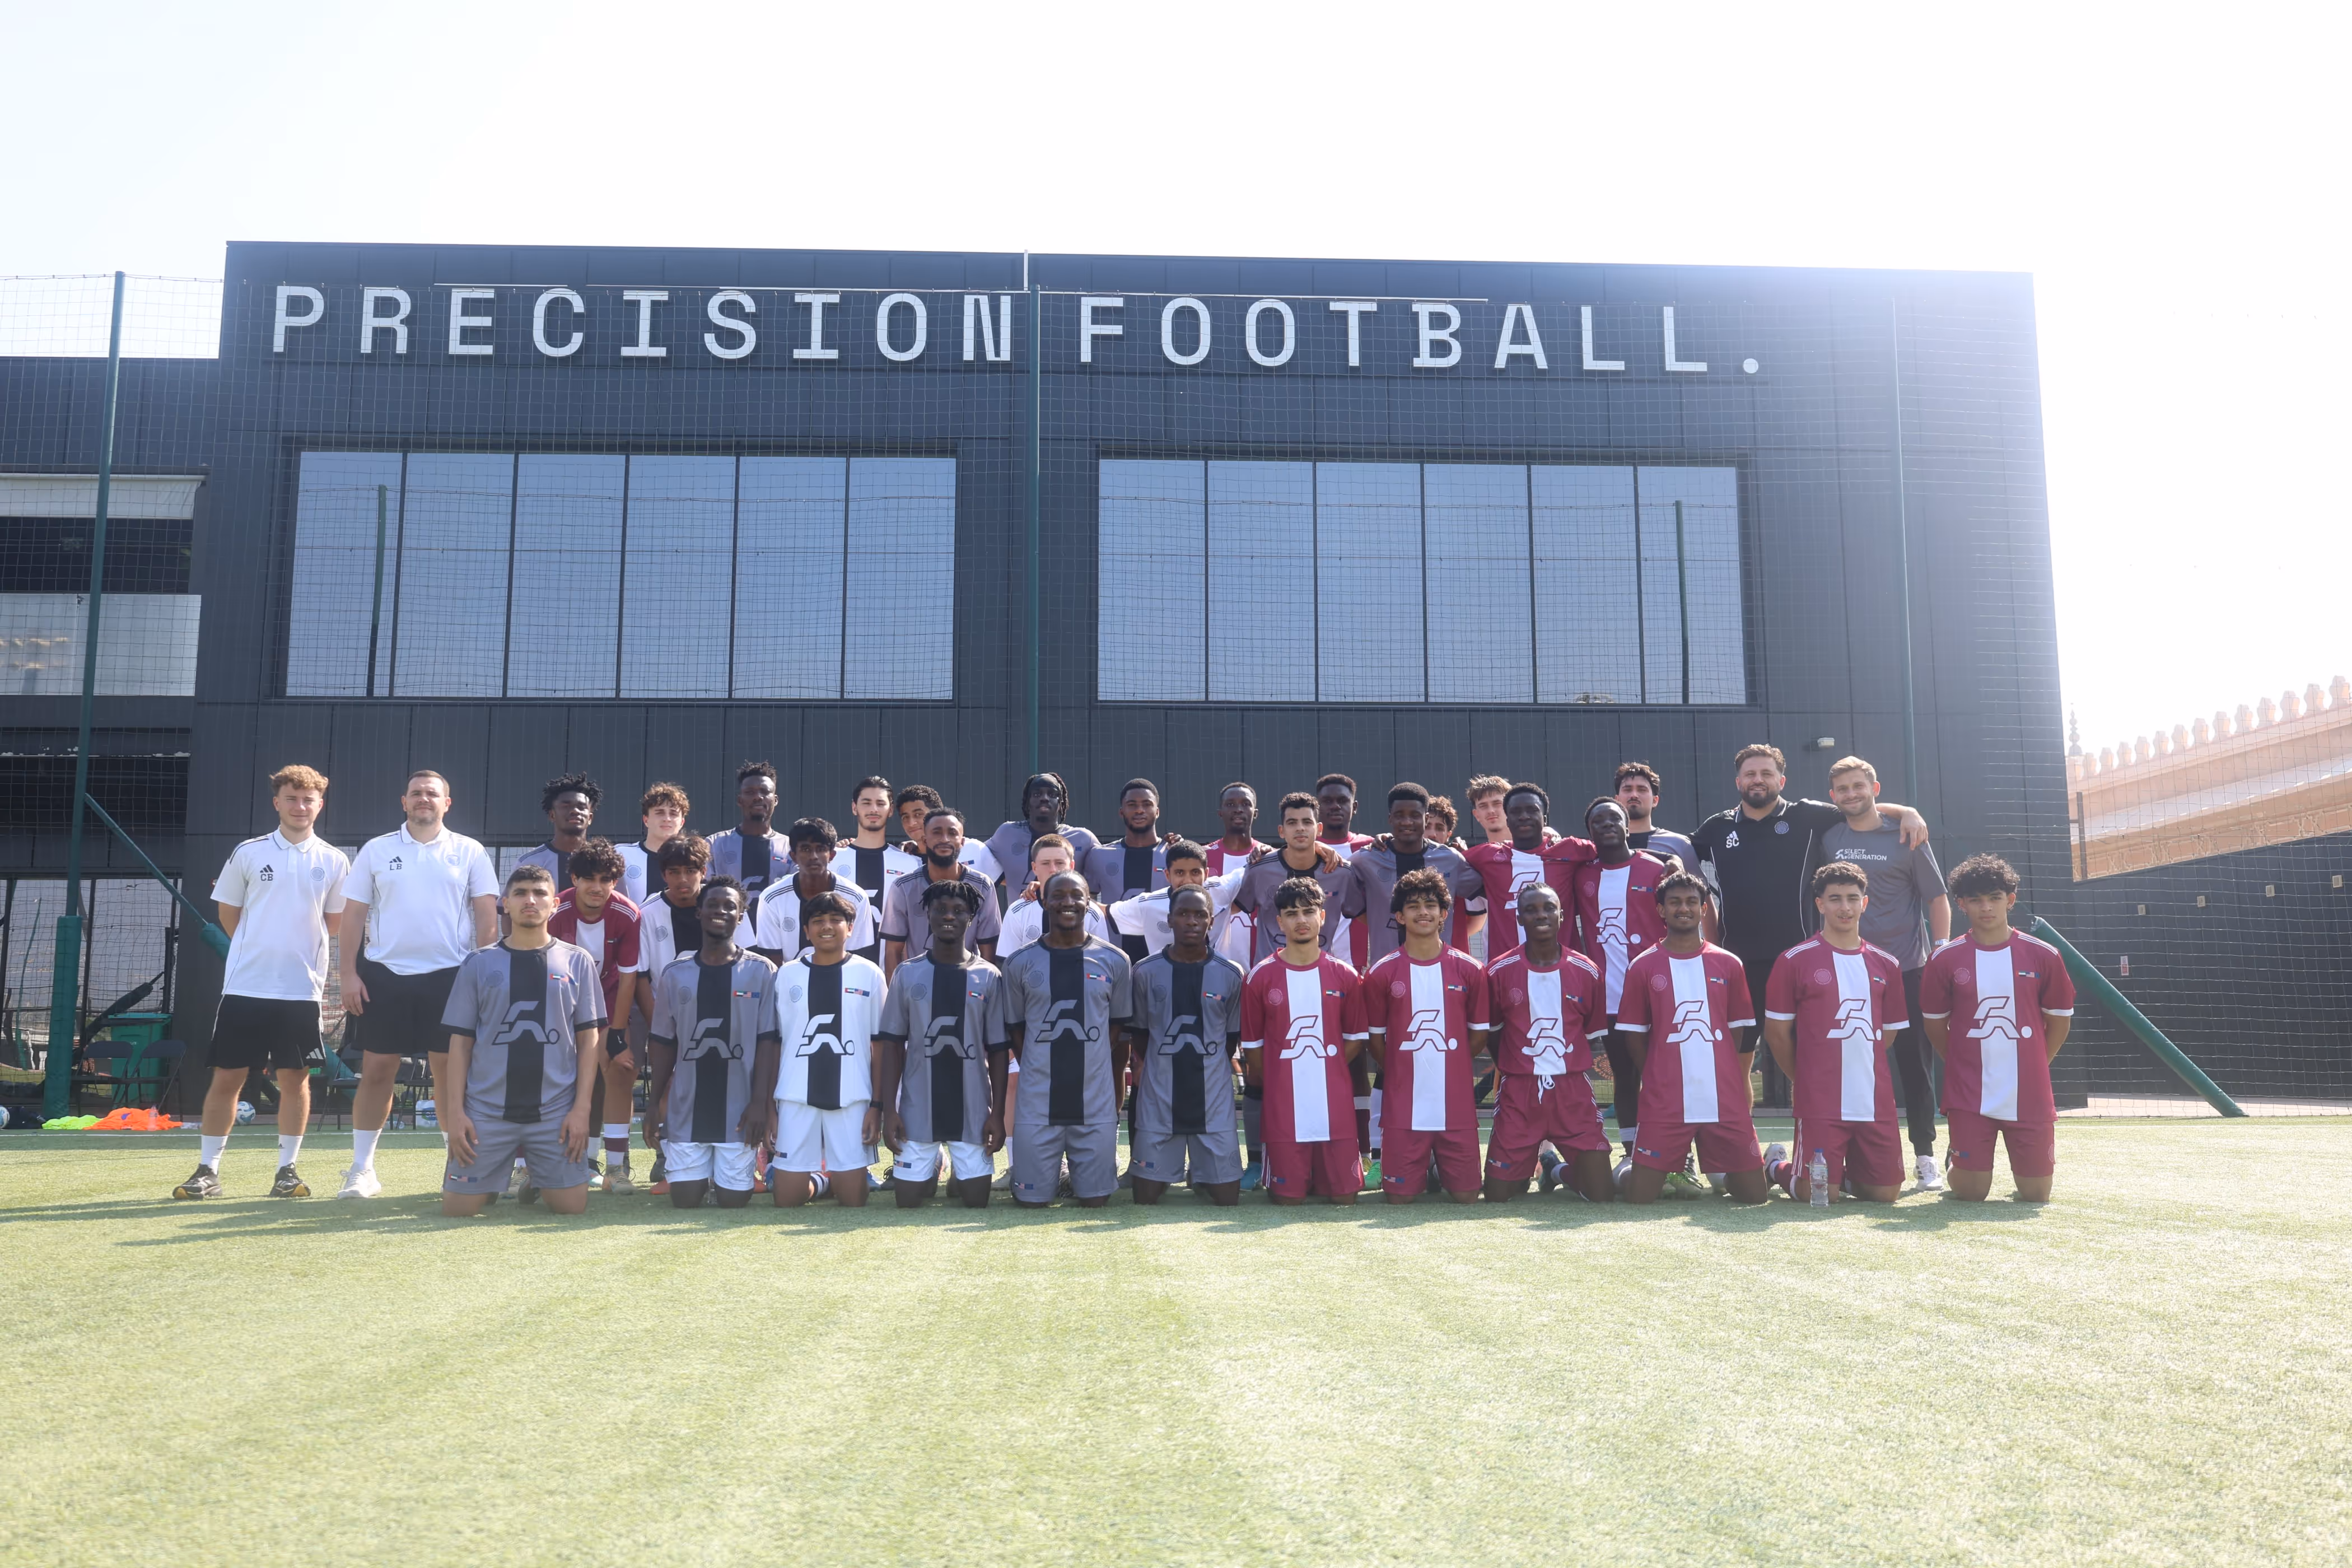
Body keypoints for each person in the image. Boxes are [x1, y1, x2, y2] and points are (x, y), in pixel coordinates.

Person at [1690, 744, 1928, 1106]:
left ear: (1781, 780)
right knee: (1735, 1060)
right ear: (1738, 781)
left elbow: (1859, 807)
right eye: (1751, 774)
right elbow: (1688, 874)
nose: (1758, 780)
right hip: (1738, 965)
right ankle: (1741, 1151)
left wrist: (1907, 812)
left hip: (1800, 962)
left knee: (1811, 1056)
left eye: (1767, 774)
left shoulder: (1807, 816)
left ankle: (1814, 1148)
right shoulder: (1716, 828)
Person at [175, 765, 351, 1200]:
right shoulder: (249, 853)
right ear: (277, 802)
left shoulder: (333, 860)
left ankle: (287, 1171)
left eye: (308, 799)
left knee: (296, 1080)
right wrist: (258, 949)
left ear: (320, 805)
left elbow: (334, 922)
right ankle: (207, 1172)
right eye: (291, 798)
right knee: (228, 1078)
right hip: (245, 988)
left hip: (301, 992)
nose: (299, 806)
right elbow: (228, 914)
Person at [336, 769, 499, 1199]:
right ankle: (361, 1170)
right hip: (384, 977)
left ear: (448, 803)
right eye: (416, 794)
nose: (424, 799)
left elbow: (486, 916)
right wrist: (348, 974)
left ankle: (456, 1168)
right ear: (403, 802)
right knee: (376, 1071)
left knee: (450, 1074)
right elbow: (353, 916)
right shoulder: (377, 849)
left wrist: (484, 973)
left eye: (433, 794)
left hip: (453, 977)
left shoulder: (469, 851)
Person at [435, 865, 606, 1216]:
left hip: (555, 1112)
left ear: (555, 904)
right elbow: (461, 1043)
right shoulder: (478, 963)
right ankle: (493, 1176)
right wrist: (457, 1114)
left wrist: (582, 1109)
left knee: (571, 1207)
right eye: (521, 893)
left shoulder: (578, 961)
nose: (531, 900)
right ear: (506, 904)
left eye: (540, 893)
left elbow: (589, 1040)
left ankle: (536, 1175)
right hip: (487, 1110)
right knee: (458, 1210)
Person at [1823, 754, 1952, 1191]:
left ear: (1876, 789)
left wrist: (1942, 950)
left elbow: (1937, 898)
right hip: (1846, 971)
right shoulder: (1829, 835)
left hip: (1907, 967)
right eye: (1843, 789)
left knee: (1915, 1065)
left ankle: (1925, 1157)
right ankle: (1846, 1158)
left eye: (1859, 786)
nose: (1851, 794)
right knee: (1849, 1062)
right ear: (1833, 796)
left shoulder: (1907, 834)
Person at [1920, 855, 2075, 1203]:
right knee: (1972, 1192)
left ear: (2011, 899)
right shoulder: (1944, 959)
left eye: (1994, 897)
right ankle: (1957, 1156)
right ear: (1961, 904)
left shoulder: (2044, 955)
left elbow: (2060, 1020)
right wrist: (1962, 1063)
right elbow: (1934, 1025)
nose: (1986, 907)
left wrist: (2034, 1064)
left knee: (2037, 1195)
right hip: (1970, 1092)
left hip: (2029, 1092)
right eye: (1975, 900)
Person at [1760, 862, 1911, 1205]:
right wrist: (1805, 1078)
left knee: (1885, 1195)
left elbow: (1886, 1036)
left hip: (1874, 1098)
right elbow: (1777, 1034)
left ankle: (1844, 1175)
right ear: (1820, 905)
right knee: (1819, 1197)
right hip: (1821, 1100)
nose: (1845, 907)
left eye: (1853, 899)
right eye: (1836, 899)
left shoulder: (1887, 964)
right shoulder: (1794, 960)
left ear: (1865, 903)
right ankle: (1776, 1167)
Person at [1613, 871, 1767, 1205]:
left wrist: (1722, 1068)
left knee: (1754, 1197)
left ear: (1703, 909)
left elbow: (1736, 1032)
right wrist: (1658, 1070)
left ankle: (1765, 1166)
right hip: (1666, 1099)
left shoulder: (1728, 964)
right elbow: (1635, 1038)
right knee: (1639, 1197)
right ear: (1661, 911)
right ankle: (1625, 1169)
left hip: (1722, 1097)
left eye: (1692, 902)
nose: (1684, 908)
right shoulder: (1643, 966)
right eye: (1675, 902)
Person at [998, 871, 1133, 1207]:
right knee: (1031, 1202)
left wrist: (1095, 1055)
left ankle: (1076, 1172)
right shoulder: (1019, 962)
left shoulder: (1116, 961)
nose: (1068, 902)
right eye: (1058, 895)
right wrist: (1036, 1060)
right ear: (1044, 900)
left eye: (1077, 895)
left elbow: (1117, 1026)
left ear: (1089, 903)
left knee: (1096, 1201)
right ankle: (1052, 1174)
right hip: (1038, 1099)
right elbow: (1015, 1027)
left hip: (1093, 1098)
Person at [642, 877, 778, 1210]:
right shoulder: (676, 974)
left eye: (730, 906)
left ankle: (729, 1175)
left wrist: (761, 1102)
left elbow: (769, 1043)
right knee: (685, 1200)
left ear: (741, 916)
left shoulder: (762, 971)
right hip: (687, 1110)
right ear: (699, 912)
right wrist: (652, 1103)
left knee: (734, 1202)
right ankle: (699, 1173)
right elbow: (662, 1043)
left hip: (740, 1112)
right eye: (713, 905)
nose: (721, 911)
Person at [873, 880, 1010, 1208]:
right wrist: (890, 1110)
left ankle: (957, 1173)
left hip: (973, 1112)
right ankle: (935, 1164)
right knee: (907, 1202)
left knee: (976, 1202)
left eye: (959, 910)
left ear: (972, 917)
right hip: (918, 1112)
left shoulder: (989, 976)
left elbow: (1000, 1051)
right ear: (928, 915)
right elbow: (892, 1046)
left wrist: (999, 1116)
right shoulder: (907, 974)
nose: (949, 916)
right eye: (940, 909)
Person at [1360, 869, 1490, 1205]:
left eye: (1431, 904)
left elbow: (1477, 1039)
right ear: (1400, 916)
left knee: (1466, 1197)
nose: (1423, 912)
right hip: (1404, 1107)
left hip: (1456, 1106)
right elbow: (1376, 1041)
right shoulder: (1381, 972)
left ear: (1444, 913)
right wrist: (1401, 1070)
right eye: (1414, 905)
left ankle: (1435, 1169)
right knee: (1399, 1198)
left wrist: (1455, 1064)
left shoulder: (1471, 970)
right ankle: (1426, 1168)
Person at [749, 890, 886, 1208]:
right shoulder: (786, 975)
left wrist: (877, 1106)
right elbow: (775, 1044)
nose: (827, 927)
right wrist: (770, 1107)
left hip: (852, 1097)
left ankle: (837, 1176)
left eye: (836, 920)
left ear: (850, 928)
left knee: (854, 1201)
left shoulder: (869, 974)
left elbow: (881, 1045)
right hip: (796, 1097)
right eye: (818, 921)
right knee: (787, 1201)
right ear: (806, 930)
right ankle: (821, 1181)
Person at [1482, 883, 1613, 1203]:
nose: (1540, 915)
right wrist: (1517, 1067)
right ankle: (1522, 1168)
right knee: (1499, 1195)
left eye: (1548, 908)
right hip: (1519, 1094)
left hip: (1573, 1093)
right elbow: (1494, 1033)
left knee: (1602, 1193)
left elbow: (1591, 1032)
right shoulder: (1498, 972)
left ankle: (1555, 1171)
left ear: (1562, 915)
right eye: (1531, 909)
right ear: (1519, 917)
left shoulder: (1587, 971)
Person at [1239, 877, 1368, 1205]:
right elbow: (1253, 1051)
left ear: (1322, 917)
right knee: (1288, 1199)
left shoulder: (1346, 976)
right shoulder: (1260, 977)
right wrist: (1283, 1081)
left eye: (1309, 912)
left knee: (1345, 1199)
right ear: (1279, 921)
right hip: (1284, 1114)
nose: (1301, 920)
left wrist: (1329, 1068)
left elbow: (1354, 1041)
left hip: (1335, 1110)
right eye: (1292, 913)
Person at [1569, 797, 1677, 1167]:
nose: (1607, 826)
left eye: (1614, 819)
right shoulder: (1582, 873)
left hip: (1658, 994)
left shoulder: (1656, 868)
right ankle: (1632, 1153)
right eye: (1598, 822)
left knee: (1663, 1074)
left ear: (1628, 826)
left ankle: (1678, 1152)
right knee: (1625, 1077)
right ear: (1590, 833)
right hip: (1611, 998)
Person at [1125, 886, 1247, 1206]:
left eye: (1200, 915)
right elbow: (1140, 1036)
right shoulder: (1145, 972)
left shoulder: (1232, 974)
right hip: (1159, 1099)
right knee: (1145, 1199)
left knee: (1227, 1200)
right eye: (1183, 914)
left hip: (1214, 1101)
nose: (1191, 921)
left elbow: (1229, 1040)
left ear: (1211, 921)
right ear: (1169, 920)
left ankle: (1203, 1173)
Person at [548, 839, 645, 1192]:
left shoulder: (629, 913)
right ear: (575, 878)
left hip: (606, 1007)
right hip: (560, 1009)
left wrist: (617, 1034)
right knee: (549, 1080)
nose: (597, 887)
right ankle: (532, 1166)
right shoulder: (555, 909)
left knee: (620, 1071)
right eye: (589, 878)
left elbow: (629, 977)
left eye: (606, 879)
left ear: (615, 882)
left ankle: (616, 1169)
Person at [1340, 783, 1487, 970]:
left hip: (1443, 972)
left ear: (1425, 818)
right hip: (1386, 973)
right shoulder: (1365, 860)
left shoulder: (1451, 859)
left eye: (1415, 816)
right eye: (1400, 816)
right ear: (1390, 819)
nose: (1407, 822)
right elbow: (1349, 900)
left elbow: (1491, 890)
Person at [1464, 782, 1594, 959]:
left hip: (1566, 970)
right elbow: (1447, 860)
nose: (1524, 816)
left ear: (1545, 819)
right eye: (1516, 812)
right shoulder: (1486, 856)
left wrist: (1644, 855)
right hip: (1505, 971)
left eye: (1532, 810)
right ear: (1508, 820)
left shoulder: (1571, 849)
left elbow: (1619, 853)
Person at [879, 808, 1001, 978]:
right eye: (937, 833)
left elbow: (989, 952)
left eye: (952, 833)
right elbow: (893, 952)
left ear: (962, 842)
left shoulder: (982, 885)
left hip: (967, 985)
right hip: (916, 989)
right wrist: (897, 996)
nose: (945, 839)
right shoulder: (903, 887)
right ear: (925, 840)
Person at [752, 817, 876, 963]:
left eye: (821, 849)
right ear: (794, 856)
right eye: (806, 849)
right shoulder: (771, 899)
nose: (814, 857)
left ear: (832, 855)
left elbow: (859, 958)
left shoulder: (856, 898)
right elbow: (773, 963)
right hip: (790, 984)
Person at [1081, 777, 1170, 963]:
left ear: (1158, 811)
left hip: (1165, 961)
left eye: (1147, 804)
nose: (1140, 810)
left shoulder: (1173, 854)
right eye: (1132, 805)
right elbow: (1083, 902)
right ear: (1122, 812)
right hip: (1112, 960)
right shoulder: (1099, 856)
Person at [834, 776, 920, 964]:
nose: (874, 809)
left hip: (893, 978)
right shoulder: (832, 860)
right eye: (867, 803)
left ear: (890, 810)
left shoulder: (911, 864)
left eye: (881, 803)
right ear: (854, 808)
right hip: (841, 977)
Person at [982, 772, 1099, 895]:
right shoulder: (1006, 834)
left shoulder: (1084, 839)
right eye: (1037, 794)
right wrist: (1013, 881)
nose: (1045, 798)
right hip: (1019, 913)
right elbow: (977, 858)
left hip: (1067, 912)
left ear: (1061, 802)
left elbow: (1104, 882)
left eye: (1052, 794)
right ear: (1027, 802)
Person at [998, 833, 1113, 952]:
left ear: (1072, 866)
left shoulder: (1093, 913)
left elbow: (1102, 961)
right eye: (1046, 863)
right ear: (1034, 867)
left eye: (1059, 863)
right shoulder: (1017, 912)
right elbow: (1007, 964)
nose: (1053, 870)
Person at [706, 760, 791, 918]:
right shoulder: (714, 845)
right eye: (750, 792)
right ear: (740, 800)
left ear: (776, 800)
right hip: (727, 939)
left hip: (776, 938)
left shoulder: (791, 848)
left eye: (765, 792)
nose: (758, 797)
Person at [515, 773, 599, 895]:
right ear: (552, 815)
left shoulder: (604, 862)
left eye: (581, 807)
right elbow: (509, 912)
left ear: (590, 818)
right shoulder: (530, 862)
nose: (575, 811)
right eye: (566, 806)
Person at [616, 782, 688, 909]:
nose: (667, 819)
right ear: (646, 820)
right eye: (660, 813)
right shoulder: (620, 855)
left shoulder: (692, 860)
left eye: (673, 814)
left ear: (682, 822)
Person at [1613, 762, 1696, 868]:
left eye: (1642, 790)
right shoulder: (1600, 847)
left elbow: (1697, 884)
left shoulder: (1680, 845)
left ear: (1655, 801)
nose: (1634, 795)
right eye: (1628, 789)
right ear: (1617, 800)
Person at [1465, 774, 1515, 847]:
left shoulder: (1534, 853)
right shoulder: (1471, 857)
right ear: (1476, 815)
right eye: (1483, 806)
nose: (1491, 811)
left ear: (1511, 808)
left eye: (1497, 804)